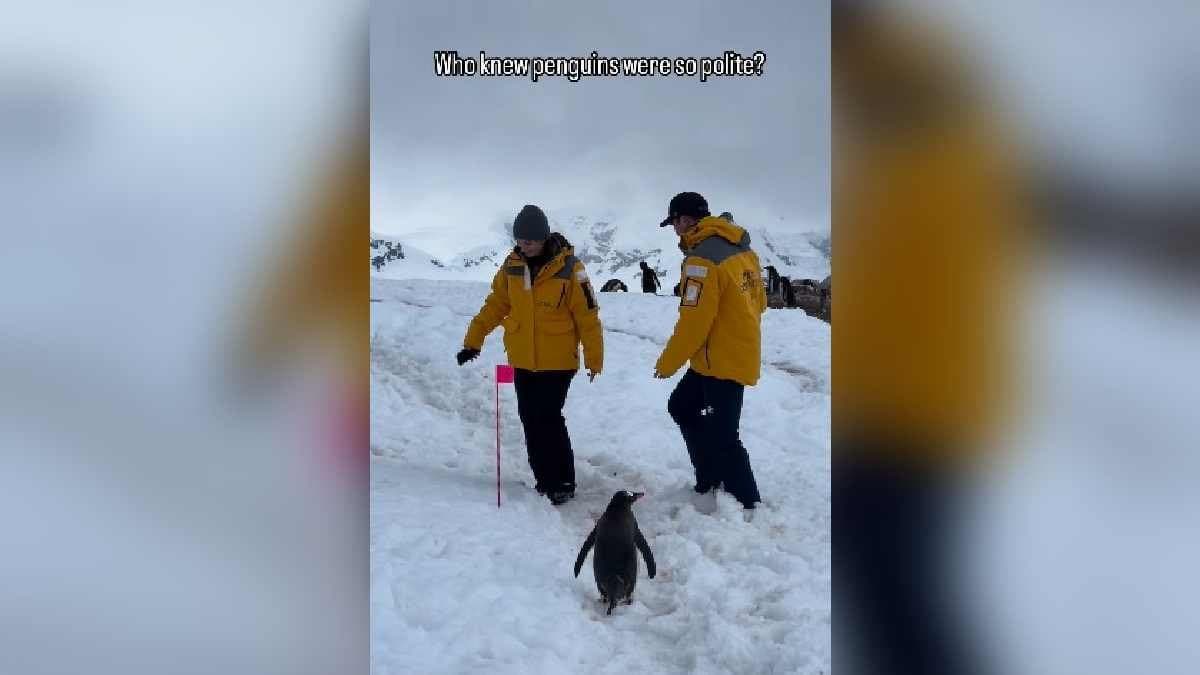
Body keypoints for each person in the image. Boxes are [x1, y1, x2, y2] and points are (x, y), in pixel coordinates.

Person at [833, 3, 1022, 673]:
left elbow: (921, 287)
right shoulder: (903, 128)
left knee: (902, 600)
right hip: (902, 403)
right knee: (887, 595)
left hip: (915, 410)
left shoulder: (925, 130)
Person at [457, 204, 604, 505]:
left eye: (531, 241)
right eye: (521, 240)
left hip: (558, 361)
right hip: (522, 359)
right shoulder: (511, 267)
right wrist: (473, 342)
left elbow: (588, 316)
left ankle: (563, 481)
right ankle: (544, 480)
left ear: (544, 237)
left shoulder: (570, 269)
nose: (525, 245)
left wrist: (593, 357)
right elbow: (495, 306)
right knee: (529, 418)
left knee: (548, 417)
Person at [653, 192, 767, 510]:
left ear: (685, 220)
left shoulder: (701, 259)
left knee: (724, 435)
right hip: (725, 352)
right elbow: (761, 300)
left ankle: (748, 503)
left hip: (722, 359)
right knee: (682, 406)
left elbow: (694, 321)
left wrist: (668, 362)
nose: (674, 230)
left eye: (674, 222)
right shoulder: (740, 247)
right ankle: (709, 477)